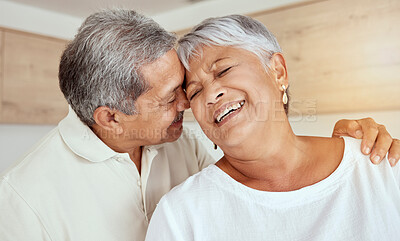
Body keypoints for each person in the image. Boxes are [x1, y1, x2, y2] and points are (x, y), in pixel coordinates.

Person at [0, 10, 397, 241]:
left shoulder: (182, 143)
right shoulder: (24, 201)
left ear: (279, 69)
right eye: (173, 95)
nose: (190, 103)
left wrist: (351, 146)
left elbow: (256, 146)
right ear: (112, 118)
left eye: (183, 88)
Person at [145, 15, 400, 241]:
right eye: (196, 91)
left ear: (278, 71)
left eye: (223, 70)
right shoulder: (181, 214)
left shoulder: (381, 164)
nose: (211, 94)